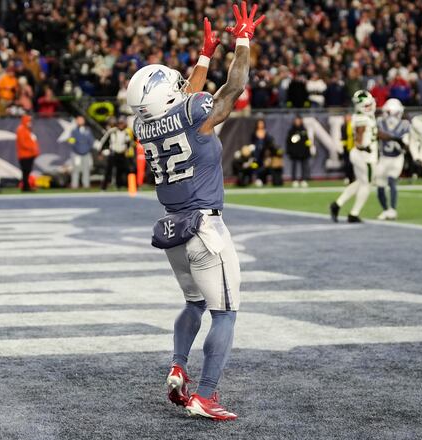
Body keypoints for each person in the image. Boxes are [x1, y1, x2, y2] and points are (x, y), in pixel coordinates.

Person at [127, 3, 263, 421]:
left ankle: (178, 364)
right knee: (225, 313)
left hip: (173, 231)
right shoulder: (191, 113)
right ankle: (205, 395)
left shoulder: (142, 126)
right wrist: (242, 43)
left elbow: (180, 102)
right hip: (205, 227)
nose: (184, 84)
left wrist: (204, 56)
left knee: (194, 303)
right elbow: (232, 89)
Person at [330, 90, 378, 223]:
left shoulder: (362, 116)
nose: (369, 107)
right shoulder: (362, 118)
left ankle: (337, 204)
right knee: (367, 184)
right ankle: (354, 213)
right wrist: (364, 146)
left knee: (360, 182)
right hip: (365, 156)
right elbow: (359, 138)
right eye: (366, 106)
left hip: (358, 154)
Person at [375, 98, 410, 220]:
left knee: (391, 181)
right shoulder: (379, 122)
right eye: (389, 113)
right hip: (384, 158)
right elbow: (378, 134)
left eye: (395, 113)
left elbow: (407, 143)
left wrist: (405, 142)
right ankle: (385, 209)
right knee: (379, 185)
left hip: (397, 158)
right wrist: (396, 139)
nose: (392, 117)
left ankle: (393, 209)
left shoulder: (405, 124)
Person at [98, 117, 134, 190]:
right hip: (113, 153)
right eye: (119, 123)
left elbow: (129, 142)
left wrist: (127, 149)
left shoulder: (126, 132)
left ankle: (120, 185)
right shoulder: (112, 131)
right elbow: (104, 141)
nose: (121, 125)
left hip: (122, 153)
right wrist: (100, 151)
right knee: (109, 170)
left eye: (122, 123)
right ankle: (104, 187)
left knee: (122, 170)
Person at [68, 115, 96, 189]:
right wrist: (77, 150)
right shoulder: (73, 131)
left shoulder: (88, 130)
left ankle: (86, 185)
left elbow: (91, 141)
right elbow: (71, 142)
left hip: (86, 153)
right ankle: (74, 185)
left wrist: (87, 149)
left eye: (81, 120)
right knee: (76, 169)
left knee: (86, 169)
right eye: (78, 120)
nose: (80, 121)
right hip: (76, 153)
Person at [286, 115, 312, 187]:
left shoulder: (304, 130)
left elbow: (307, 141)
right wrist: (289, 151)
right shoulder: (291, 131)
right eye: (296, 120)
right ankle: (294, 180)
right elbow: (288, 142)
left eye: (298, 120)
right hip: (294, 152)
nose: (297, 122)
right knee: (294, 166)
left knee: (304, 166)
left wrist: (308, 150)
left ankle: (303, 179)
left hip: (303, 152)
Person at [16, 114, 39, 191]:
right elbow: (22, 143)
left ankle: (26, 186)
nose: (30, 122)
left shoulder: (27, 129)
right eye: (29, 121)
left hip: (29, 154)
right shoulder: (21, 129)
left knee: (27, 171)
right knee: (25, 171)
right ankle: (25, 187)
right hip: (24, 155)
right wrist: (32, 148)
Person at [249, 119, 275, 186]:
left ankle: (263, 179)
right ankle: (257, 179)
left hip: (264, 154)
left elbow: (269, 144)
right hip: (256, 154)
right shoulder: (254, 133)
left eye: (262, 123)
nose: (261, 125)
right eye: (259, 123)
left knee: (264, 166)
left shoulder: (266, 133)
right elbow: (252, 143)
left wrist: (268, 154)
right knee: (255, 166)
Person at [340, 112, 355, 184]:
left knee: (354, 164)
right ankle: (348, 177)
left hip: (354, 147)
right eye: (347, 117)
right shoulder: (343, 126)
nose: (348, 119)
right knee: (347, 164)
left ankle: (354, 177)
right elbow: (343, 138)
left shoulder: (353, 125)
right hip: (347, 148)